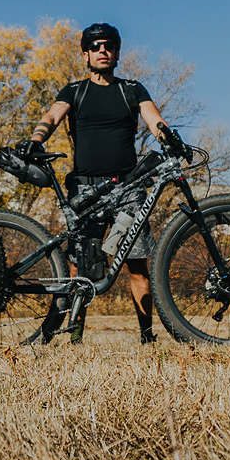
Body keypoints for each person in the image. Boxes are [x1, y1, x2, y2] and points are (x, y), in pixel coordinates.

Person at [22, 22, 172, 344]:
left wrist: (169, 138)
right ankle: (74, 336)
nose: (102, 51)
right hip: (86, 189)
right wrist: (36, 139)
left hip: (130, 186)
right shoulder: (74, 91)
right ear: (86, 54)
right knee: (80, 266)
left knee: (136, 266)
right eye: (95, 46)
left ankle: (147, 338)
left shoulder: (132, 89)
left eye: (109, 46)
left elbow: (154, 118)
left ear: (117, 52)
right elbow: (51, 116)